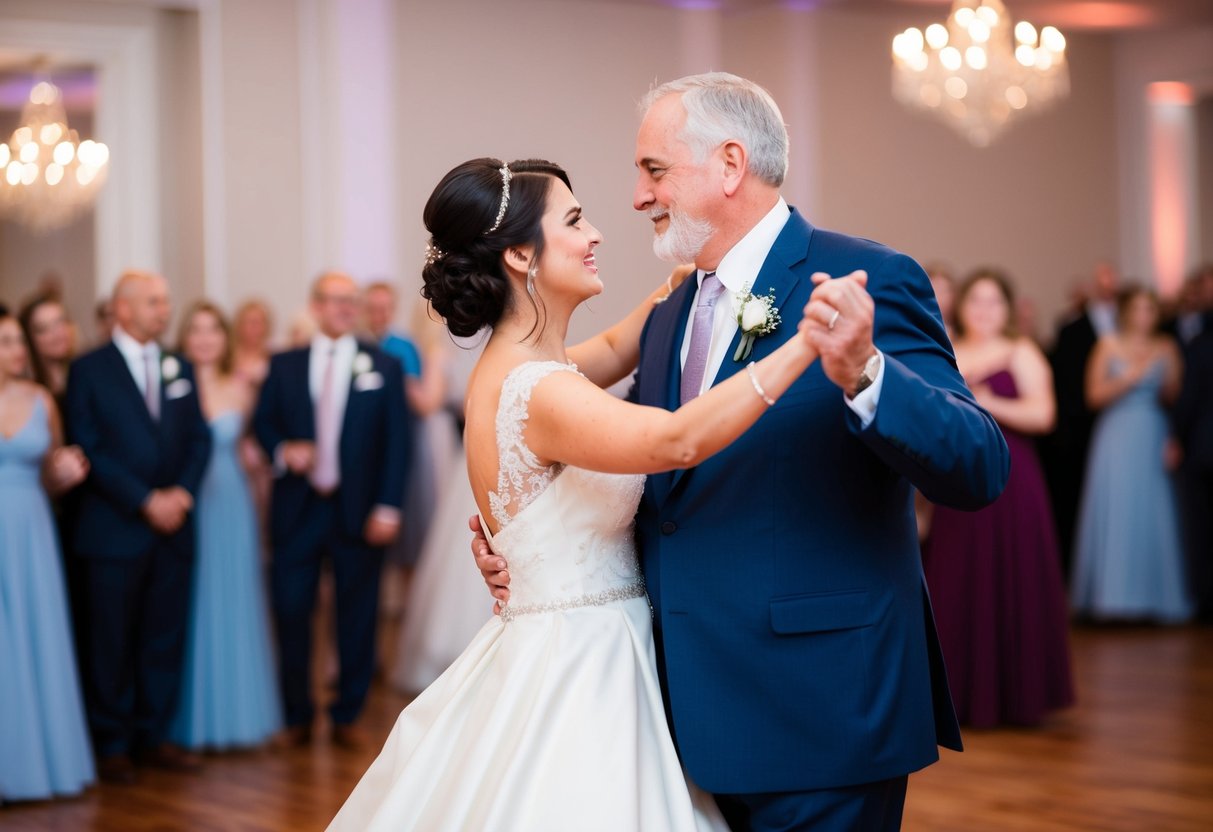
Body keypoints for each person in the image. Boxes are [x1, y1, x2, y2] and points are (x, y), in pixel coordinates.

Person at [474, 74, 1010, 831]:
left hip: (821, 714)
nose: (636, 197)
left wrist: (865, 371)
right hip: (675, 717)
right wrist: (530, 543)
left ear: (729, 165)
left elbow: (978, 466)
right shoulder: (668, 311)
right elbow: (663, 487)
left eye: (653, 171)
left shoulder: (866, 276)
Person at [64, 270, 212, 784]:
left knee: (163, 635)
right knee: (111, 639)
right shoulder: (88, 370)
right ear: (123, 309)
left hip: (174, 528)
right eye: (153, 301)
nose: (164, 310)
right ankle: (113, 743)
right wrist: (144, 499)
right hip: (114, 528)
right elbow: (90, 446)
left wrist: (181, 495)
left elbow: (199, 438)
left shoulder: (179, 365)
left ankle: (156, 736)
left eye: (166, 300)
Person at [253, 271, 410, 750]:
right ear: (316, 306)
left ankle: (347, 714)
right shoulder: (284, 364)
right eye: (335, 301)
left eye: (351, 302)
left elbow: (397, 441)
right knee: (292, 610)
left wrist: (388, 505)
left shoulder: (382, 365)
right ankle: (297, 715)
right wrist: (283, 452)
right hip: (298, 509)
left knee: (357, 612)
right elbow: (263, 425)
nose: (344, 309)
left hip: (358, 510)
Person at [922, 269, 1074, 727]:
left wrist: (988, 401)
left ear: (1007, 309)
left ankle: (1016, 698)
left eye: (994, 302)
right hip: (956, 477)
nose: (985, 311)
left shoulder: (1020, 351)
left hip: (1013, 480)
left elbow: (1043, 414)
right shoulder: (944, 348)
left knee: (1013, 578)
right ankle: (959, 698)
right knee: (957, 580)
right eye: (976, 302)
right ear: (961, 306)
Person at [168, 301, 282, 750]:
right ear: (185, 338)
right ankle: (188, 720)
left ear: (224, 337)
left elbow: (255, 448)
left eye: (213, 329)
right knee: (191, 601)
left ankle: (238, 714)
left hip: (231, 499)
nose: (204, 338)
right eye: (195, 330)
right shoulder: (170, 386)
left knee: (234, 597)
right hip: (190, 500)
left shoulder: (241, 388)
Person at [0, 306, 95, 801]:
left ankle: (44, 764)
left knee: (36, 639)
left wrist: (61, 476)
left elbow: (51, 473)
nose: (16, 351)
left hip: (33, 531)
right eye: (5, 341)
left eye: (18, 340)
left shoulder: (42, 400)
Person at [1071, 286, 1191, 622]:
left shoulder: (1166, 346)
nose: (1143, 315)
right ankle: (1111, 600)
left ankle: (1155, 598)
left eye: (1150, 309)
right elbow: (1092, 396)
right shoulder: (1108, 345)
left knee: (1154, 509)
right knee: (1118, 507)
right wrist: (1130, 378)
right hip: (1117, 433)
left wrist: (1168, 391)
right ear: (1126, 311)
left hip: (1153, 430)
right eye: (1137, 308)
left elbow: (1176, 398)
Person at [1045, 261, 1120, 577]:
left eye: (1112, 276)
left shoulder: (1128, 324)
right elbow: (1064, 383)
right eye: (1102, 277)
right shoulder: (1071, 328)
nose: (1107, 283)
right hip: (1082, 429)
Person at [1173, 324, 1213, 623]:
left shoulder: (1202, 342)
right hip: (1204, 448)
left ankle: (1205, 601)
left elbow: (1189, 395)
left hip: (1204, 446)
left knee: (1203, 529)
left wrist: (1177, 435)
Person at [18, 291, 76, 406]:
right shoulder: (25, 390)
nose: (58, 333)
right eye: (43, 328)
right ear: (29, 338)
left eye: (61, 322)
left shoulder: (88, 372)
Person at [232, 299, 274, 388]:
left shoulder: (274, 358)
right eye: (249, 322)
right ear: (239, 325)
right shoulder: (228, 358)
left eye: (258, 322)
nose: (254, 328)